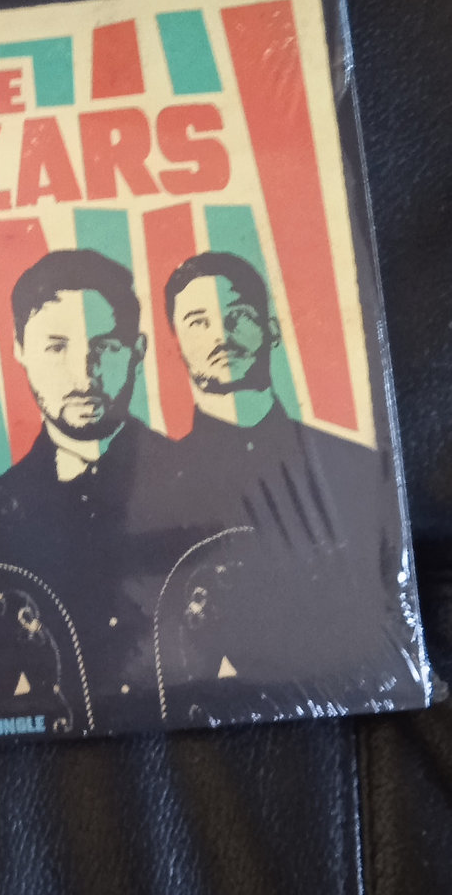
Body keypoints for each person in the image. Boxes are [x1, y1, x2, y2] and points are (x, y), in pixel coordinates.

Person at [154, 251, 421, 725]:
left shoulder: (356, 465)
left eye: (238, 314)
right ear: (176, 346)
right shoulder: (154, 491)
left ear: (272, 329)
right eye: (198, 322)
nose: (220, 334)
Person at [0, 249, 180, 732]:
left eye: (107, 346)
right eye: (56, 347)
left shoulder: (200, 480)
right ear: (19, 350)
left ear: (138, 350)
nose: (84, 373)